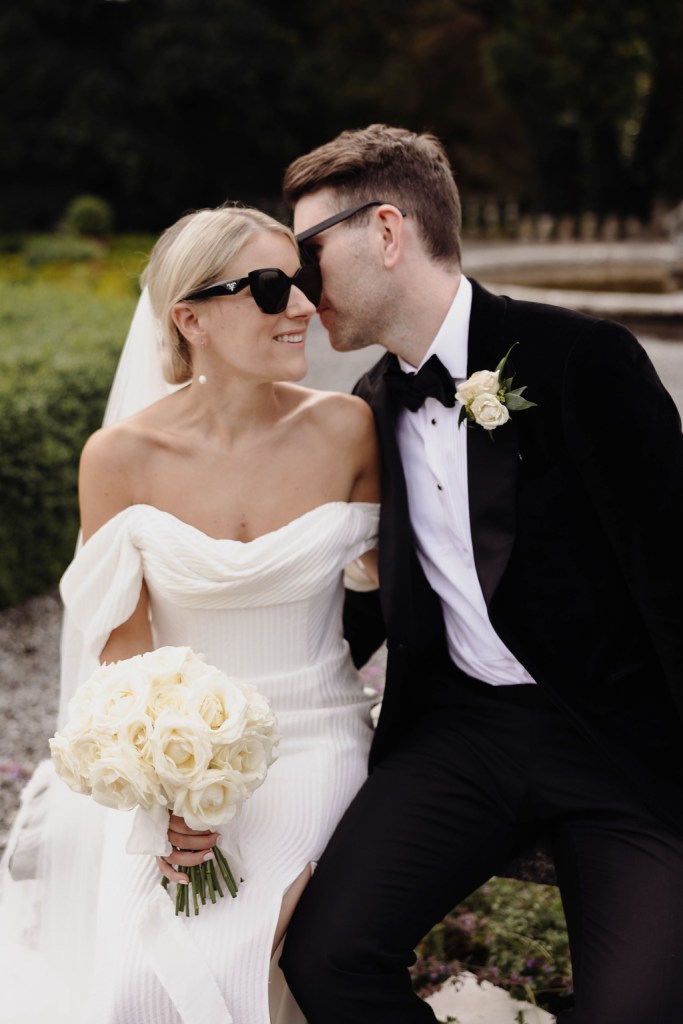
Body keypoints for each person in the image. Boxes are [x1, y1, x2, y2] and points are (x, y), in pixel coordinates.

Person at [278, 124, 683, 1024]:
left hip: (615, 743)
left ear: (386, 232)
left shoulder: (583, 362)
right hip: (462, 735)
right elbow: (353, 619)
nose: (299, 293)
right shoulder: (365, 409)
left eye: (308, 255)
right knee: (326, 957)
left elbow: (670, 573)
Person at [0, 204, 380, 1024]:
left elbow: (407, 584)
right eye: (273, 288)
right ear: (191, 318)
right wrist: (171, 792)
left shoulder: (350, 431)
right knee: (139, 992)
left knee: (231, 965)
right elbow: (126, 649)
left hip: (315, 736)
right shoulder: (119, 458)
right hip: (178, 758)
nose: (304, 308)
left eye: (302, 284)